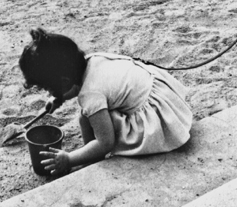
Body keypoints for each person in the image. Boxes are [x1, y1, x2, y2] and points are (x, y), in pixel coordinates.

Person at [20, 28, 192, 175]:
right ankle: (90, 153)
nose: (48, 92)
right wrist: (58, 97)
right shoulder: (91, 60)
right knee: (89, 115)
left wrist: (69, 159)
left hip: (158, 120)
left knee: (86, 118)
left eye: (49, 88)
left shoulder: (90, 95)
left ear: (64, 81)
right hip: (164, 95)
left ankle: (91, 158)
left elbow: (106, 143)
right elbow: (74, 84)